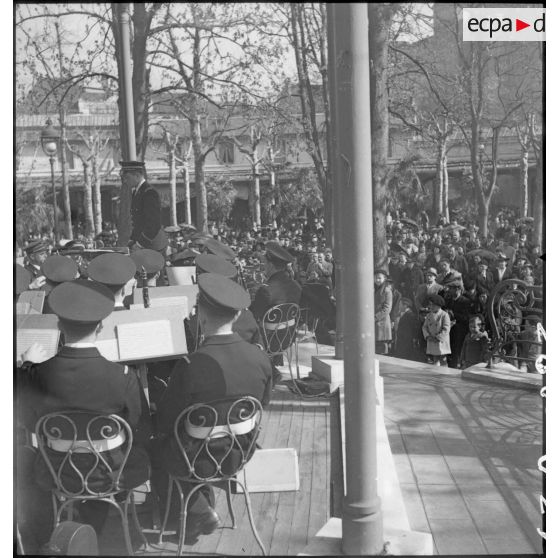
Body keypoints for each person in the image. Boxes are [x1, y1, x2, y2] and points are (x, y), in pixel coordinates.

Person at [17, 279, 151, 546]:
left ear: (58, 326)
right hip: (110, 473)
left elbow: (29, 422)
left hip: (58, 471)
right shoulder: (124, 376)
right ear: (101, 326)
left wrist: (26, 364)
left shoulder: (36, 375)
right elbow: (141, 428)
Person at [151, 273, 272, 540]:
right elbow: (261, 404)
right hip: (238, 452)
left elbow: (166, 421)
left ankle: (196, 508)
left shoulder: (190, 365)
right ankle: (198, 506)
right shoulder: (260, 358)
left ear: (200, 315)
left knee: (155, 446)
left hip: (196, 458)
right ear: (238, 316)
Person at [122, 160, 168, 252]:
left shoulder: (149, 193)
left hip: (152, 244)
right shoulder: (138, 192)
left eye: (127, 177)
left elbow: (153, 224)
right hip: (144, 243)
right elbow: (138, 222)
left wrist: (140, 244)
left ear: (137, 176)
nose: (125, 181)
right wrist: (132, 240)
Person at [250, 241, 302, 320]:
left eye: (265, 263)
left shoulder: (265, 291)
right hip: (291, 330)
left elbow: (254, 315)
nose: (264, 267)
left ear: (271, 265)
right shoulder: (296, 285)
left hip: (267, 331)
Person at [421, 294, 451, 366]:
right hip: (431, 340)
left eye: (433, 305)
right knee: (435, 358)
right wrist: (428, 336)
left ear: (439, 306)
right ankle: (436, 373)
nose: (431, 307)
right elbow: (424, 327)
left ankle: (444, 373)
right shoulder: (429, 315)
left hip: (441, 342)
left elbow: (446, 329)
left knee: (443, 359)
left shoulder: (444, 315)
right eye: (430, 305)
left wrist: (438, 338)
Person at [374, 269, 392, 355]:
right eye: (375, 278)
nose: (377, 280)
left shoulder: (387, 291)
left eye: (379, 278)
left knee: (382, 350)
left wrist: (375, 317)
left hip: (382, 323)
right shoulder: (373, 289)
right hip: (374, 323)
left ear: (384, 279)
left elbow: (387, 309)